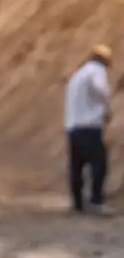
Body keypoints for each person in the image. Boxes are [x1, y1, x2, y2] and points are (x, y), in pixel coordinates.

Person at [65, 44, 115, 216]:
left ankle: (78, 203)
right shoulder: (96, 71)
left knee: (76, 166)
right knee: (99, 163)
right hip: (90, 127)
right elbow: (100, 88)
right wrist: (107, 108)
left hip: (73, 127)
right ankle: (96, 201)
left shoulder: (78, 75)